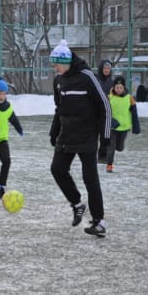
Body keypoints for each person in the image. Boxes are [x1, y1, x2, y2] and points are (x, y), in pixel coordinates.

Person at [49, 40, 111, 237]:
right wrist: (54, 130)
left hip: (87, 136)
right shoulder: (58, 80)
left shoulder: (87, 77)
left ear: (66, 62)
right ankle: (77, 204)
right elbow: (59, 108)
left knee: (90, 178)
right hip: (67, 135)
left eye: (56, 64)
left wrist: (106, 140)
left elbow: (105, 108)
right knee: (57, 169)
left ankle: (99, 222)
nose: (55, 68)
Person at [105, 76, 141, 173]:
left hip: (124, 127)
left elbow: (134, 112)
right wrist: (111, 121)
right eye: (117, 87)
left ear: (124, 87)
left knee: (119, 148)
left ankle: (120, 146)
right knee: (111, 146)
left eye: (121, 87)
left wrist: (136, 126)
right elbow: (104, 111)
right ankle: (109, 165)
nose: (119, 89)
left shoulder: (129, 98)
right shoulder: (109, 97)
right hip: (112, 127)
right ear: (114, 87)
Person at [96, 60, 113, 163]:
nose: (106, 70)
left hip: (107, 113)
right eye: (105, 68)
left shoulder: (112, 82)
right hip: (96, 111)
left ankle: (102, 156)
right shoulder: (97, 80)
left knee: (105, 135)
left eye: (108, 69)